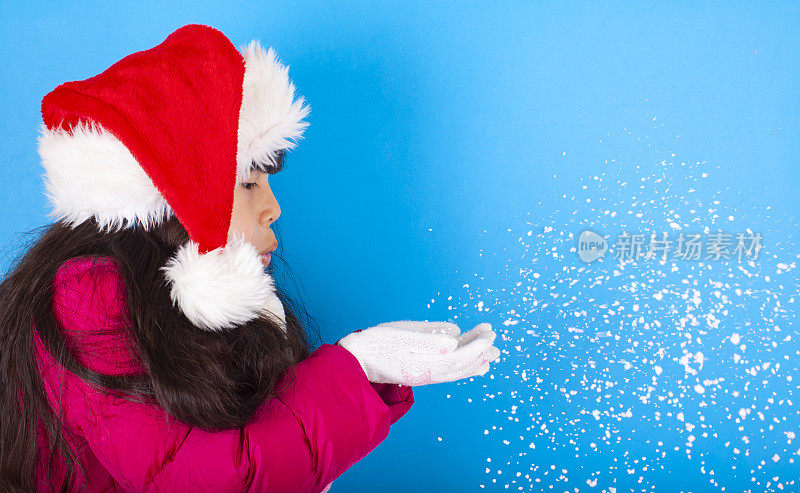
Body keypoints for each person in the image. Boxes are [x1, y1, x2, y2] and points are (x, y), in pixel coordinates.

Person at [0, 24, 500, 492]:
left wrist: (371, 375)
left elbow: (267, 452)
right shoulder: (89, 293)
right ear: (176, 194)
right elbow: (205, 477)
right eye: (248, 183)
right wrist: (357, 366)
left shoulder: (216, 299)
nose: (274, 207)